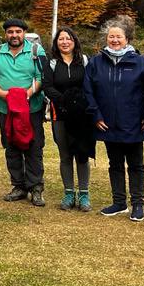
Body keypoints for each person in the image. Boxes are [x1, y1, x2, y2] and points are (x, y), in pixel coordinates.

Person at [83, 15, 144, 221]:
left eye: (118, 37)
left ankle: (137, 204)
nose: (114, 40)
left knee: (136, 165)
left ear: (127, 38)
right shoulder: (95, 63)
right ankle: (119, 202)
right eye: (111, 36)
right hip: (107, 123)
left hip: (134, 122)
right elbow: (88, 91)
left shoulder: (142, 63)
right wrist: (96, 115)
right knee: (115, 164)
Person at [0, 18, 48, 206]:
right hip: (7, 109)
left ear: (24, 33)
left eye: (18, 32)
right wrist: (4, 95)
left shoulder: (36, 51)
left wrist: (26, 94)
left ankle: (36, 187)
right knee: (11, 147)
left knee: (34, 147)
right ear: (5, 34)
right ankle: (19, 186)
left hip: (32, 109)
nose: (14, 35)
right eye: (10, 32)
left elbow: (41, 76)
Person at [42, 27, 96, 212]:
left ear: (74, 41)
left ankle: (84, 194)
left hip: (82, 115)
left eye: (68, 38)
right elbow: (47, 87)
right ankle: (69, 193)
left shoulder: (85, 61)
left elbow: (91, 84)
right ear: (56, 43)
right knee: (65, 155)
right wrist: (65, 100)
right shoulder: (51, 63)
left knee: (82, 154)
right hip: (60, 114)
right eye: (61, 39)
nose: (65, 42)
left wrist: (80, 103)